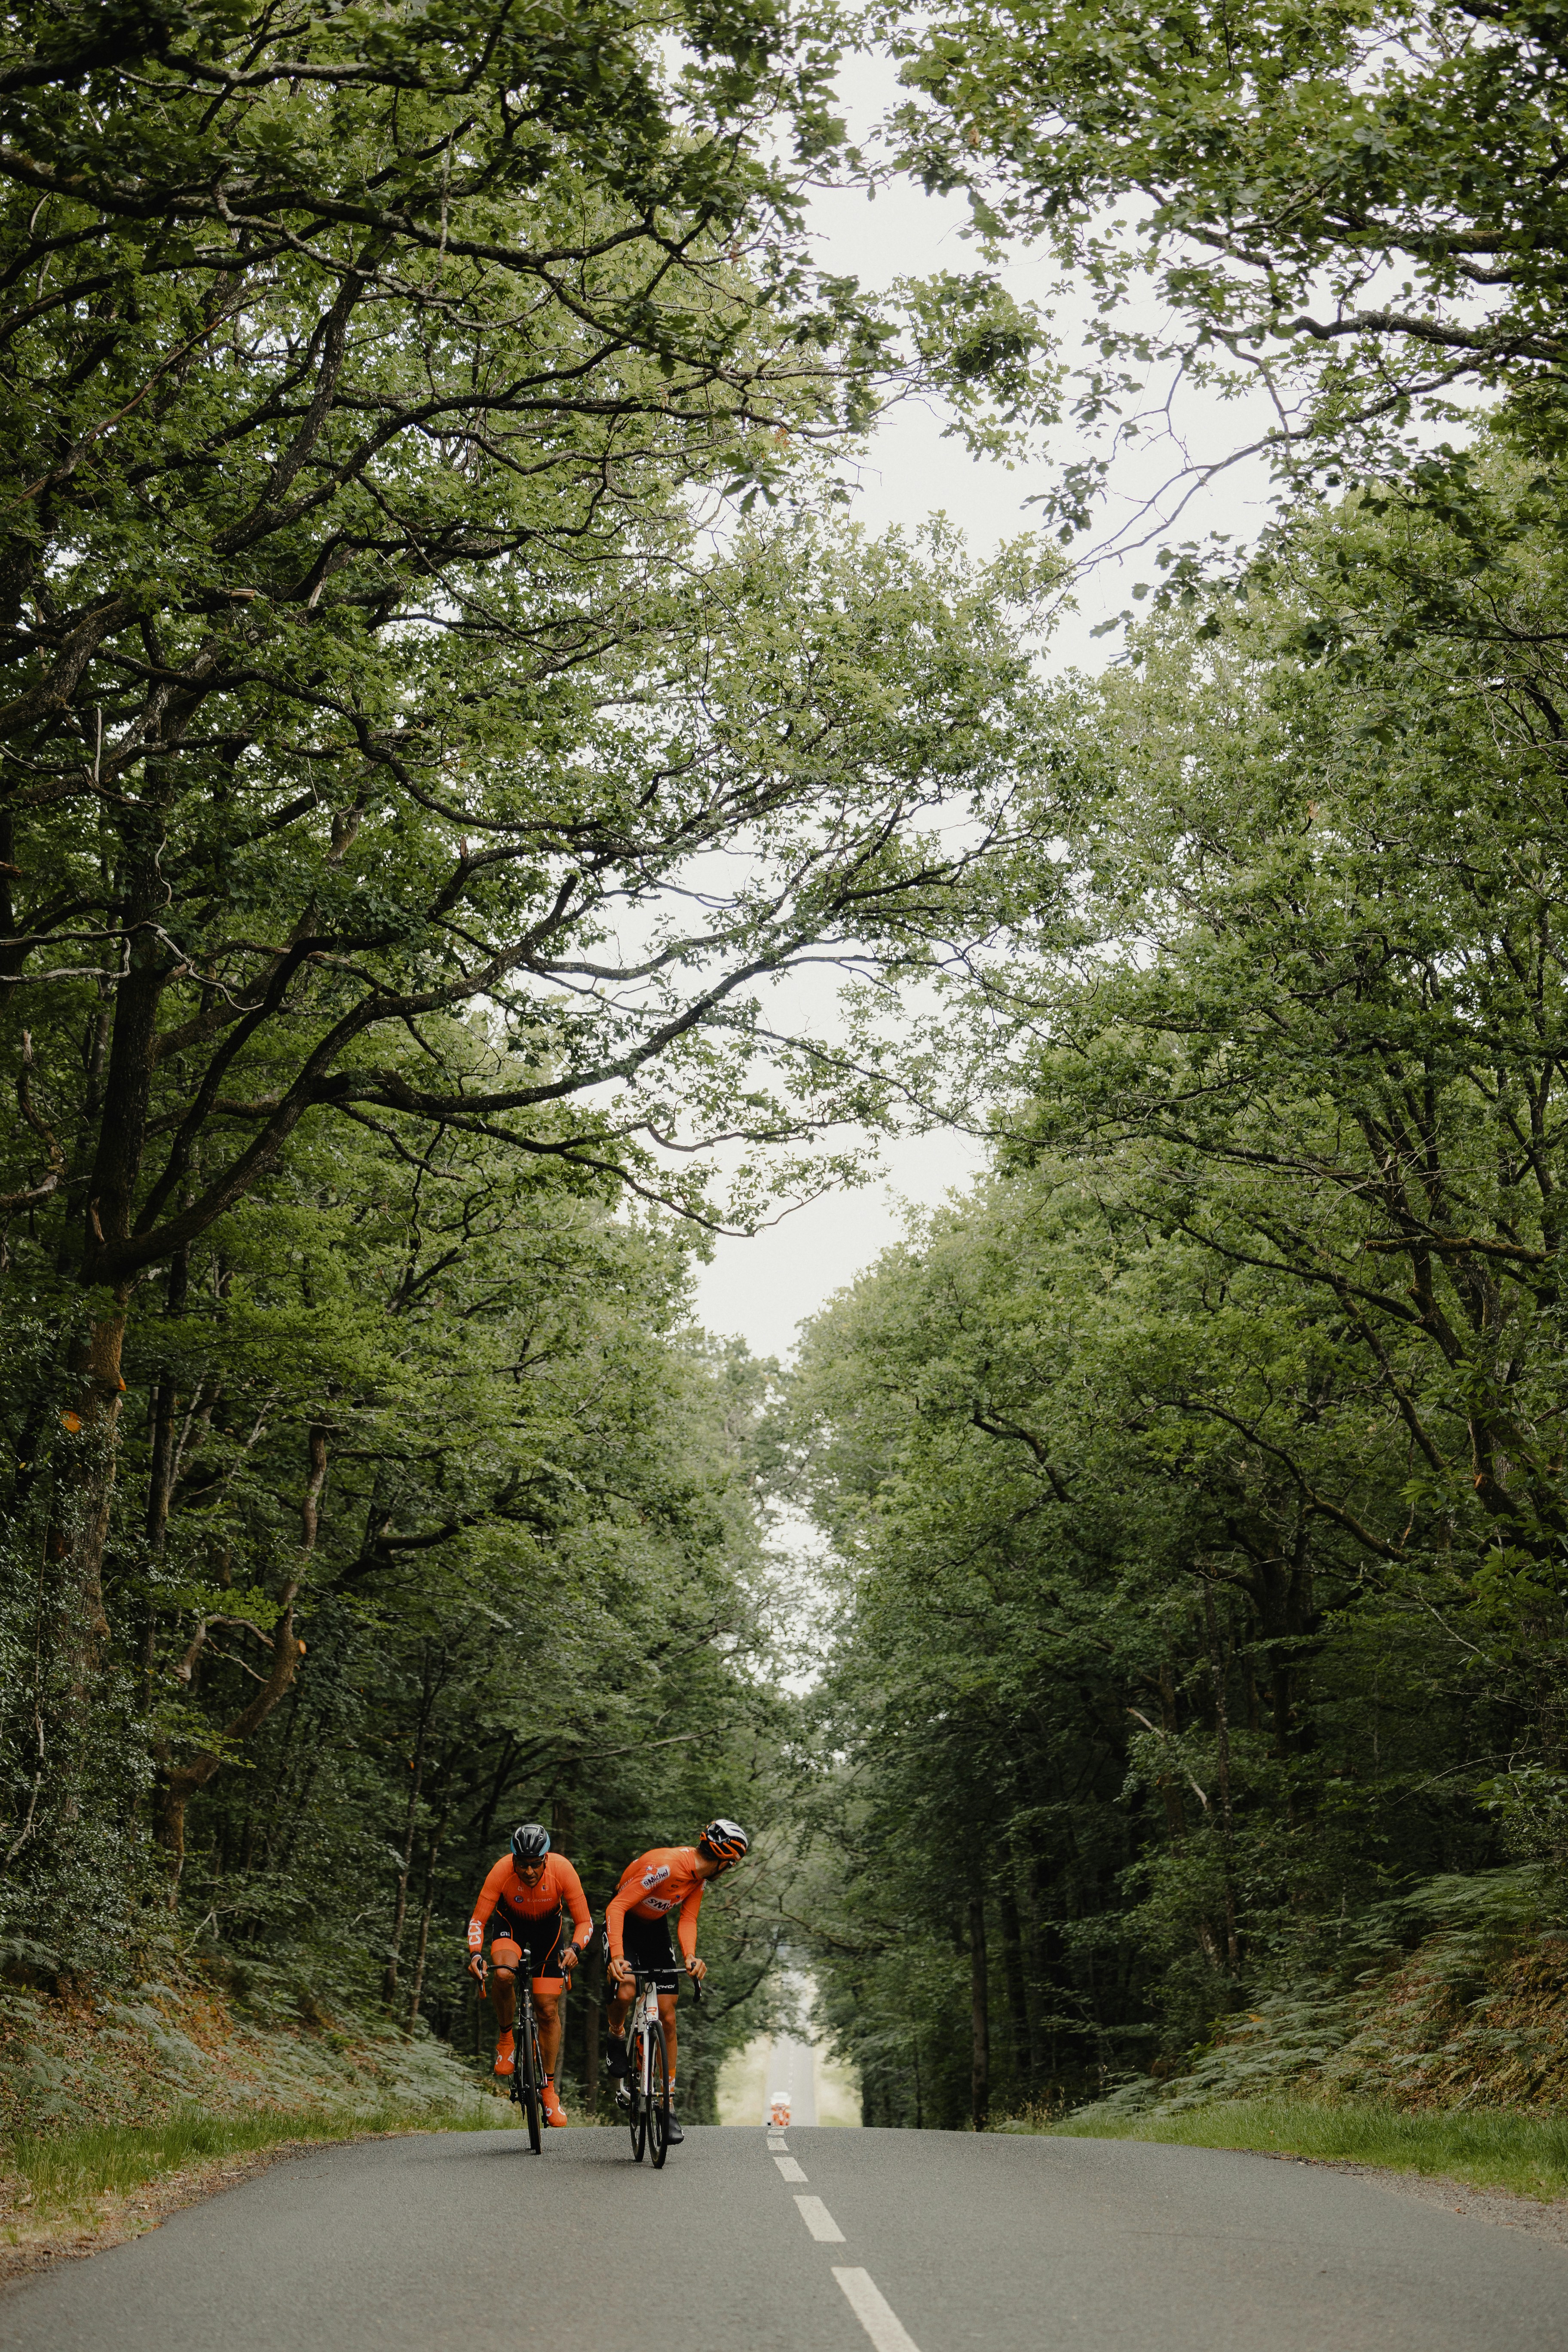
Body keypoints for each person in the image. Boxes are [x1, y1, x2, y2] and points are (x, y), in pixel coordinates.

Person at [602, 1818, 748, 2144]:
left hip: (655, 1929)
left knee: (668, 2016)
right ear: (725, 1860)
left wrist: (691, 1957)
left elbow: (688, 1919)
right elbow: (617, 1907)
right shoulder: (666, 1867)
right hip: (624, 1922)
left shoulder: (699, 1879)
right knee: (626, 1989)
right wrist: (616, 1956)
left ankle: (666, 2106)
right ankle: (616, 2035)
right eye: (732, 1865)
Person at [467, 1822, 591, 2127]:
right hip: (510, 1926)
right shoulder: (501, 1872)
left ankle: (549, 2091)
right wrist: (475, 1954)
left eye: (536, 1864)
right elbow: (477, 1921)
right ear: (513, 1861)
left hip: (548, 1931)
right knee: (505, 1975)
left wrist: (575, 1948)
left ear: (546, 1859)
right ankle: (506, 2040)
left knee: (547, 2009)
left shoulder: (562, 1870)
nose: (530, 1872)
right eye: (522, 1865)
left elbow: (586, 1922)